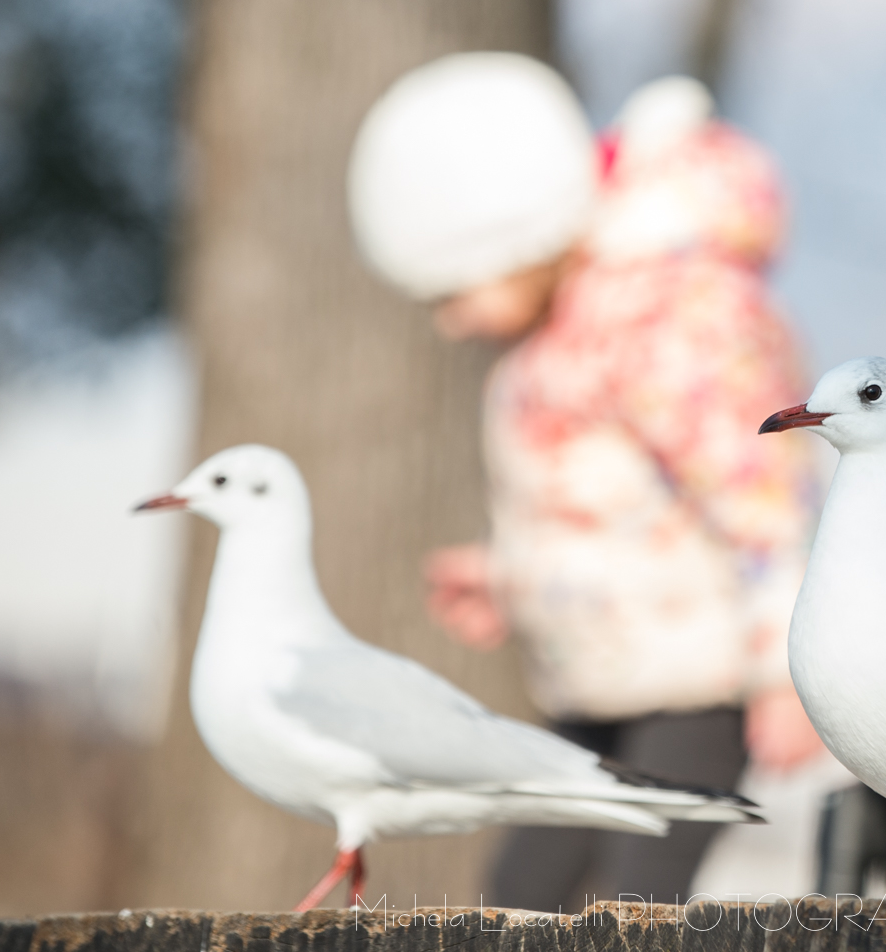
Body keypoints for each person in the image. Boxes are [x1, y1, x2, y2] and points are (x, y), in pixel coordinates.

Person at [347, 56, 824, 910]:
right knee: (523, 890)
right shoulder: (567, 330)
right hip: (604, 680)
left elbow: (761, 501)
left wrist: (788, 671)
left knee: (636, 896)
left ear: (524, 243)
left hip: (699, 684)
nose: (450, 323)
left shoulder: (670, 319)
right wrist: (513, 578)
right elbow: (608, 511)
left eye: (456, 292)